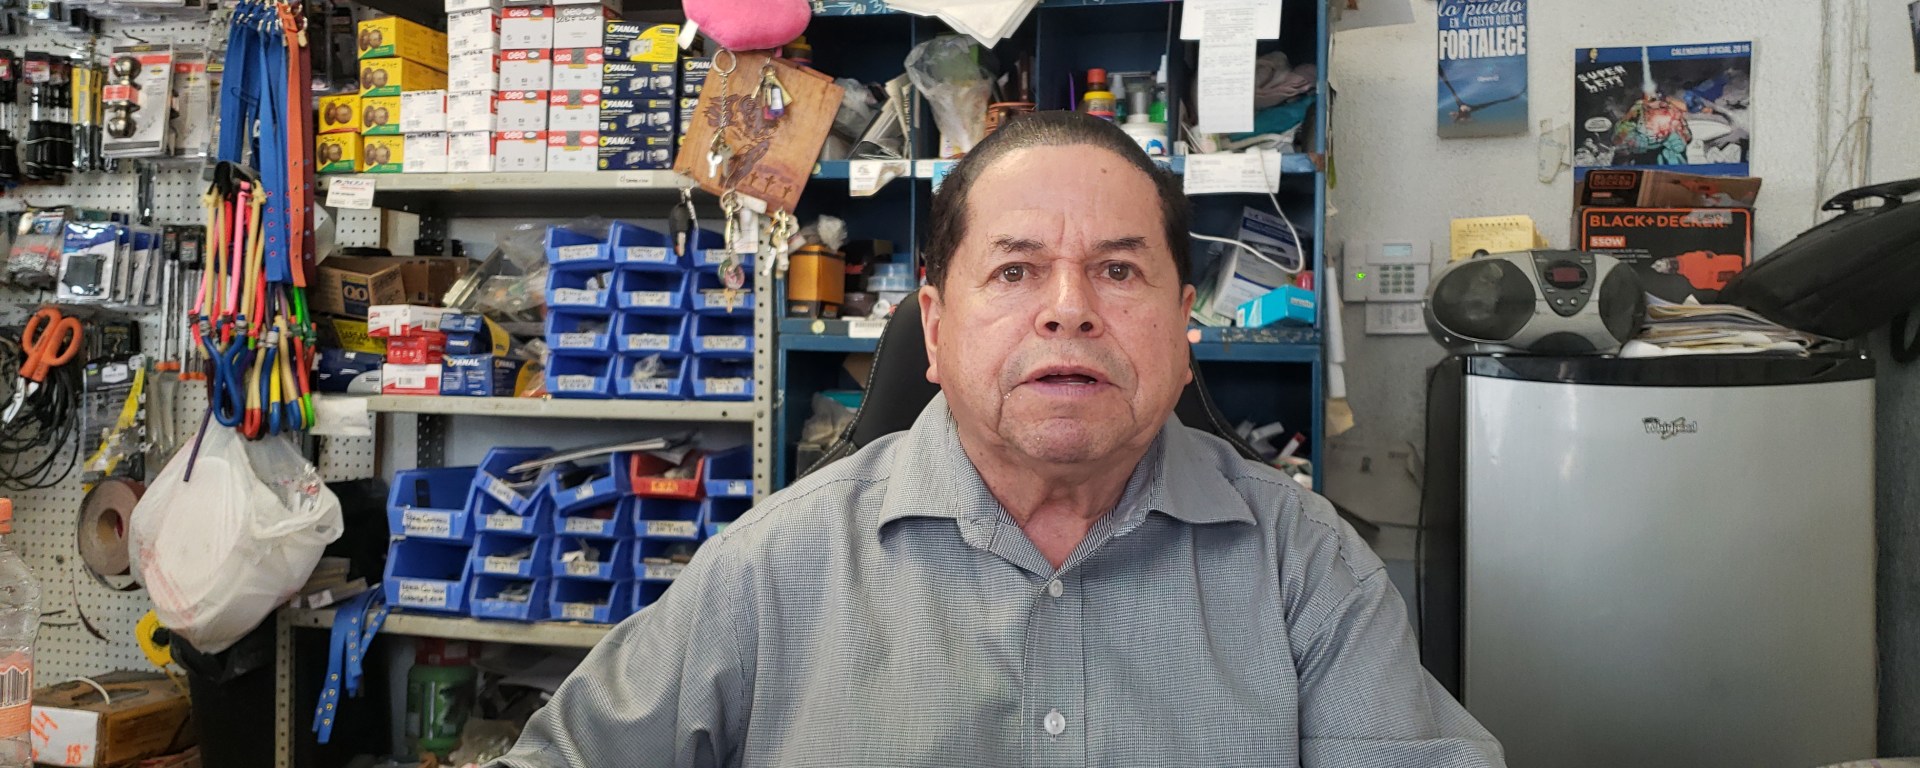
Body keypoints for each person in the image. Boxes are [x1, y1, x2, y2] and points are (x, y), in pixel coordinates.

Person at [489, 112, 1505, 767]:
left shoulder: (1307, 567)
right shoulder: (772, 569)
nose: (1069, 309)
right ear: (934, 331)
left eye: (1118, 270)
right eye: (1015, 272)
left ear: (1181, 326)